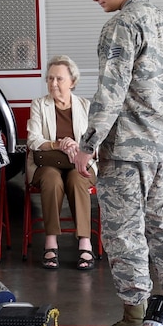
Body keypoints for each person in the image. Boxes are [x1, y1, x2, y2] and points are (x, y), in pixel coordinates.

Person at [69, 0, 163, 326]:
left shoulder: (121, 24)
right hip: (160, 147)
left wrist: (88, 145)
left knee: (125, 233)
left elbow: (111, 91)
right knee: (162, 225)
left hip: (125, 151)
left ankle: (134, 318)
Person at [26, 55, 96, 270]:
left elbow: (95, 141)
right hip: (47, 164)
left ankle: (85, 241)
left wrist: (77, 146)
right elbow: (33, 139)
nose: (53, 84)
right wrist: (59, 144)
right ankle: (51, 241)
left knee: (77, 178)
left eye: (59, 79)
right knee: (51, 178)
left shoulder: (86, 106)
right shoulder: (39, 104)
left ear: (72, 82)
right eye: (50, 79)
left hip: (80, 164)